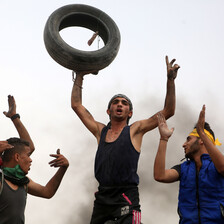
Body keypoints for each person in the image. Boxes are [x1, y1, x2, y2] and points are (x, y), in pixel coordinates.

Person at [71, 56, 180, 224]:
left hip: (126, 196)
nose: (119, 104)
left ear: (130, 112)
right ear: (109, 110)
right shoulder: (100, 131)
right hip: (103, 197)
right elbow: (76, 105)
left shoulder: (135, 130)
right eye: (115, 102)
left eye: (124, 103)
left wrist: (170, 80)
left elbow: (168, 110)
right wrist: (79, 76)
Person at [0, 95, 69, 224]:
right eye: (28, 156)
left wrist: (63, 168)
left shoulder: (23, 182)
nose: (31, 160)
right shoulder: (2, 181)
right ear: (16, 157)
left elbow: (47, 192)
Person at [154, 105, 223, 224]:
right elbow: (160, 175)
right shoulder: (184, 168)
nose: (184, 144)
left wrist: (201, 132)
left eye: (188, 139)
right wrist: (163, 139)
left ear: (201, 140)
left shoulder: (216, 164)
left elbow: (222, 168)